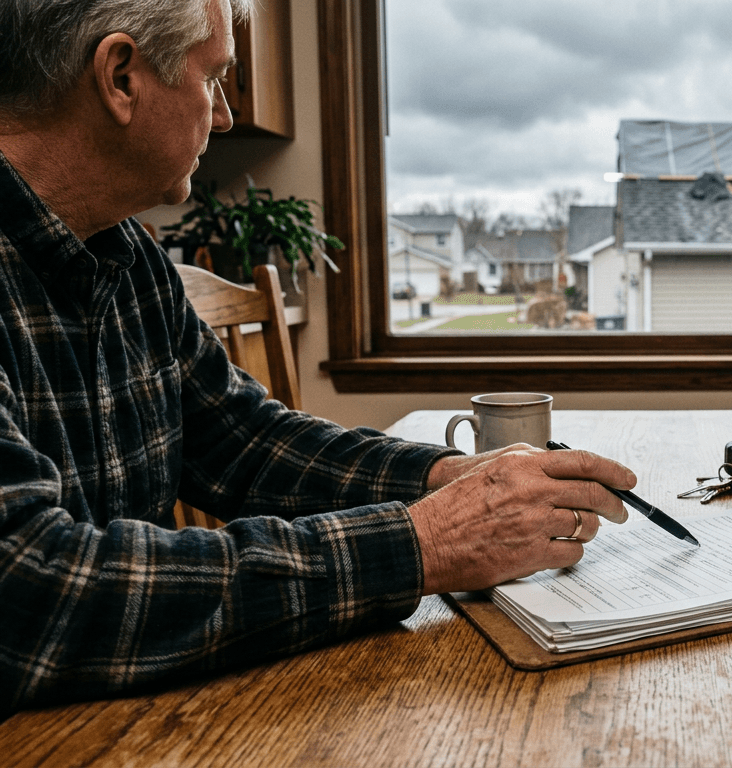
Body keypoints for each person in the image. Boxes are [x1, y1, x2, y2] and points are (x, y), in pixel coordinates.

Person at [0, 0, 635, 711]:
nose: (224, 116)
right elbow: (31, 589)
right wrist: (420, 544)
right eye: (212, 79)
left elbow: (244, 443)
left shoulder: (130, 256)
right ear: (120, 77)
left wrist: (446, 477)